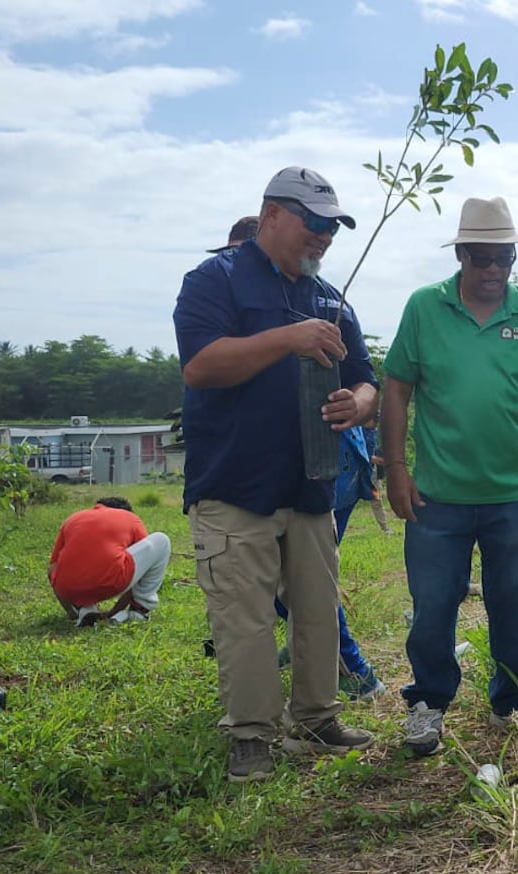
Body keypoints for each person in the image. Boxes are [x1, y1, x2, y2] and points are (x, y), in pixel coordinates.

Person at [173, 165, 378, 783]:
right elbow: (202, 366)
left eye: (332, 229)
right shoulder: (216, 280)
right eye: (312, 224)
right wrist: (286, 338)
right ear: (270, 216)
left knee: (317, 610)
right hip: (235, 483)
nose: (322, 237)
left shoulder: (329, 297)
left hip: (311, 482)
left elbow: (367, 377)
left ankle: (318, 715)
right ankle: (251, 736)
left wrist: (359, 404)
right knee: (245, 616)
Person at [381, 196, 518, 756]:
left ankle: (513, 701)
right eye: (481, 258)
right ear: (460, 255)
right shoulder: (423, 308)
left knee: (514, 601)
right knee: (432, 604)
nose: (493, 271)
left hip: (515, 496)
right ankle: (428, 703)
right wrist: (397, 470)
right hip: (437, 497)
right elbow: (396, 390)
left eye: (504, 258)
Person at [276, 424, 387, 700]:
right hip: (334, 460)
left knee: (300, 583)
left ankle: (355, 673)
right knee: (294, 579)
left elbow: (363, 391)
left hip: (325, 466)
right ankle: (305, 648)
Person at [48, 497, 171, 626]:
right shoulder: (130, 517)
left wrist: (69, 610)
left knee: (86, 563)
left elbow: (51, 570)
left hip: (68, 588)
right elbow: (143, 569)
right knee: (161, 540)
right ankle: (140, 609)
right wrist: (113, 612)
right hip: (110, 581)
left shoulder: (73, 519)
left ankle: (85, 610)